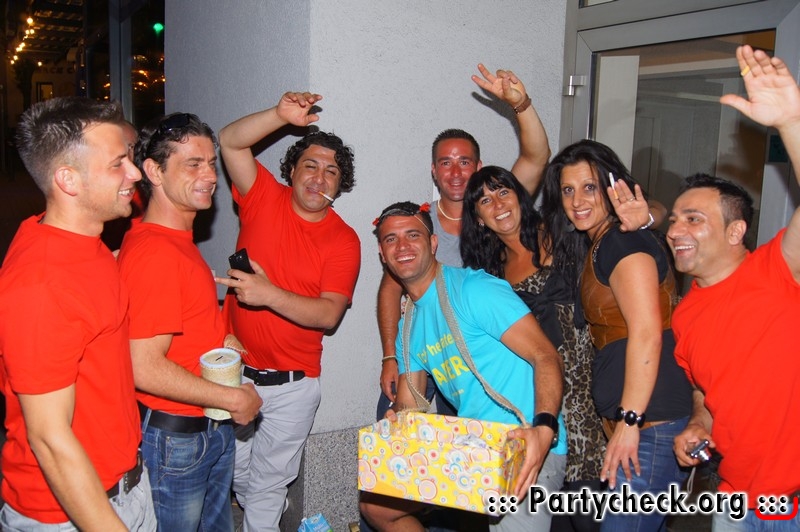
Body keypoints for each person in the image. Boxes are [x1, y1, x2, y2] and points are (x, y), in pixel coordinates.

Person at [361, 201, 567, 532]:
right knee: (378, 506)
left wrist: (543, 429)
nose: (402, 246)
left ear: (433, 243)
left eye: (413, 235)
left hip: (523, 439)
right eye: (391, 239)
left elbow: (546, 356)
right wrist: (396, 420)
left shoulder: (474, 290)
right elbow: (411, 404)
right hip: (471, 449)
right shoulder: (409, 325)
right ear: (383, 255)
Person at [0, 97, 156, 530]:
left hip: (125, 484)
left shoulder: (83, 241)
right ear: (68, 179)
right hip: (69, 514)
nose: (135, 174)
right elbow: (49, 438)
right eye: (117, 164)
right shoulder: (40, 284)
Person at [215, 92, 360, 531]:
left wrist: (268, 294)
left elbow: (329, 315)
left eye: (331, 171)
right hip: (234, 372)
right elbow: (230, 141)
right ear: (292, 171)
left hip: (293, 386)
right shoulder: (263, 196)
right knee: (235, 471)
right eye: (310, 166)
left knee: (268, 485)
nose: (319, 178)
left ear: (340, 184)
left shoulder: (344, 240)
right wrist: (279, 116)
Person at [669, 45, 800, 530]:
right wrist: (699, 423)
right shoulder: (686, 313)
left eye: (694, 219)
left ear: (735, 231)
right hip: (735, 500)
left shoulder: (778, 269)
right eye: (675, 219)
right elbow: (705, 389)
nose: (675, 230)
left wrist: (791, 122)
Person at [376, 64, 551, 421]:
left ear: (479, 165)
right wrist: (391, 356)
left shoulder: (495, 209)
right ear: (434, 170)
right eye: (445, 163)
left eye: (464, 162)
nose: (455, 173)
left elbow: (536, 158)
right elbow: (390, 290)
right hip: (429, 347)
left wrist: (521, 105)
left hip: (483, 350)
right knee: (394, 420)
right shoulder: (416, 226)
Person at [117, 112, 263, 531]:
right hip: (176, 439)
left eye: (211, 163)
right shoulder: (157, 254)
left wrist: (222, 339)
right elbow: (142, 366)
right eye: (193, 164)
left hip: (204, 429)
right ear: (154, 172)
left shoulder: (175, 241)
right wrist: (233, 399)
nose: (210, 176)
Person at [540, 140, 693, 532]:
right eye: (568, 190)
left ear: (613, 189)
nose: (577, 201)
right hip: (642, 424)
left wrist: (629, 422)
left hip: (651, 423)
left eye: (589, 187)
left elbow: (646, 333)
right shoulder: (603, 241)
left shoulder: (621, 242)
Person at [461, 166, 606, 532]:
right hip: (543, 393)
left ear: (520, 196)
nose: (498, 204)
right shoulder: (490, 274)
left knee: (593, 515)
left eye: (503, 192)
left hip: (592, 387)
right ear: (478, 219)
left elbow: (618, 225)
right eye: (485, 201)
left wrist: (645, 215)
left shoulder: (561, 232)